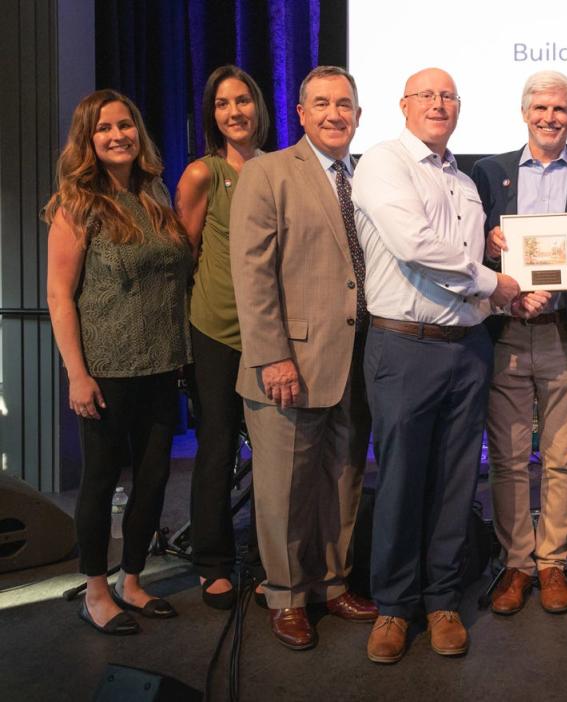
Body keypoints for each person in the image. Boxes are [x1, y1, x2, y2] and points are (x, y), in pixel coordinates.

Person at [352, 67, 529, 664]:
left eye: (448, 96)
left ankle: (443, 600)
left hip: (467, 347)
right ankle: (395, 608)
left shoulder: (466, 179)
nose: (437, 103)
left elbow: (466, 258)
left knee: (458, 481)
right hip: (406, 346)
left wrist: (507, 273)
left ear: (460, 108)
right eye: (425, 94)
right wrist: (495, 281)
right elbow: (415, 245)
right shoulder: (383, 162)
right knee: (401, 481)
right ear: (402, 105)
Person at [229, 65, 376, 652]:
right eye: (321, 104)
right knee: (284, 489)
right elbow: (252, 274)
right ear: (300, 113)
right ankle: (287, 594)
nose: (334, 114)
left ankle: (333, 584)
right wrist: (272, 358)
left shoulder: (365, 178)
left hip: (357, 359)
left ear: (359, 115)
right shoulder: (267, 173)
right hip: (288, 364)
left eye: (344, 104)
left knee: (343, 480)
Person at [45, 89, 193, 635]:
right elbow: (60, 296)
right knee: (102, 480)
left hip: (161, 363)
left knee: (154, 479)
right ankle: (96, 591)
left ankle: (133, 580)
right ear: (88, 140)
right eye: (104, 128)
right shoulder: (76, 204)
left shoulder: (153, 195)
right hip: (105, 369)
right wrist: (76, 374)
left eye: (125, 125)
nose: (117, 135)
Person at [470, 70, 567, 616]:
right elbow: (469, 248)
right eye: (541, 108)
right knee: (506, 459)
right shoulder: (490, 171)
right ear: (524, 112)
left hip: (564, 333)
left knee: (561, 458)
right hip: (506, 331)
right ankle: (516, 564)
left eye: (561, 110)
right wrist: (485, 242)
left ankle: (552, 562)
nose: (550, 118)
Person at [175, 64, 269, 610]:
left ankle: (263, 562)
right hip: (214, 330)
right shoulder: (202, 173)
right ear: (213, 115)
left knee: (273, 455)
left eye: (242, 101)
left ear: (258, 106)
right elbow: (183, 255)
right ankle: (213, 563)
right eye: (222, 104)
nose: (234, 112)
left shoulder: (280, 169)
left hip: (271, 334)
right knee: (216, 447)